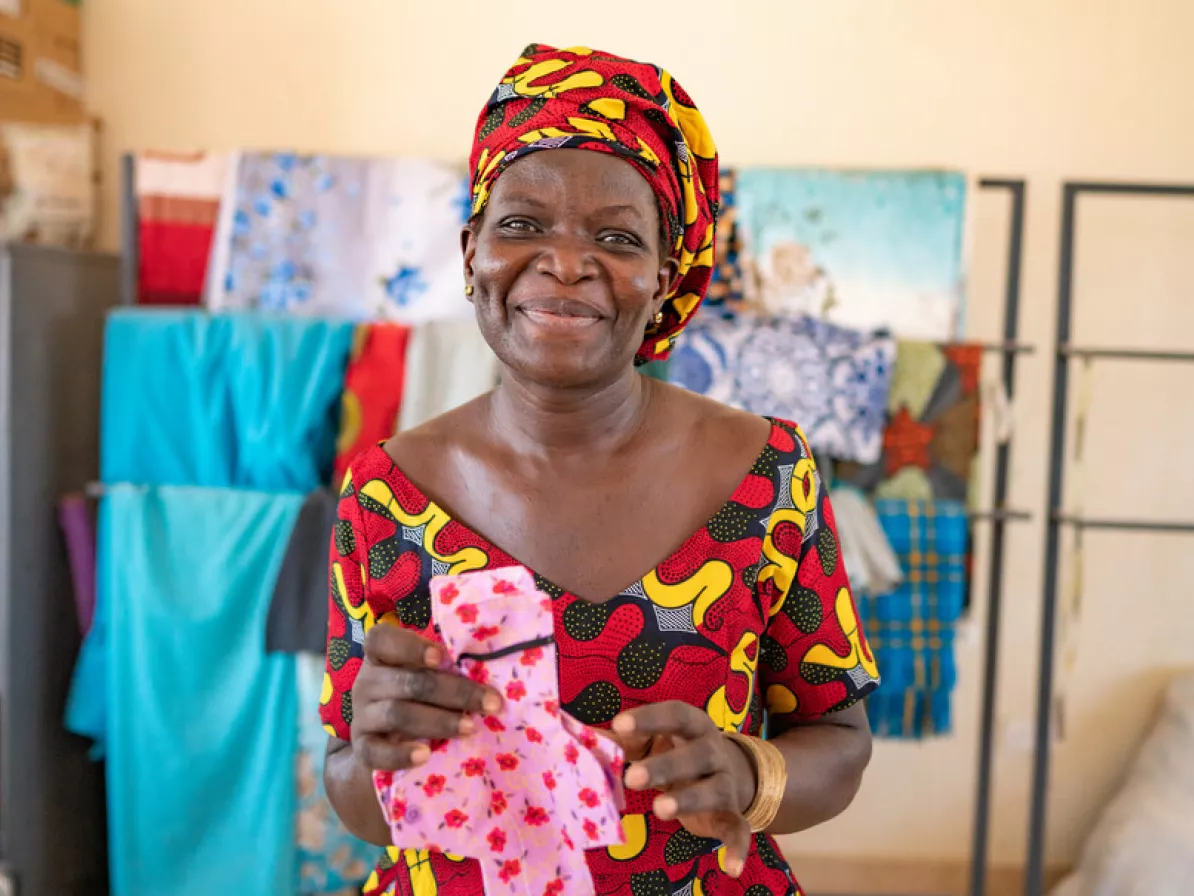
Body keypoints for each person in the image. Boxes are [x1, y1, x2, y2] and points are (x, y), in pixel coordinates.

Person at [320, 43, 881, 896]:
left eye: (616, 237)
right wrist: (375, 747)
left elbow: (838, 743)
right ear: (471, 253)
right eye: (520, 224)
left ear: (666, 276)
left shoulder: (768, 475)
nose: (567, 261)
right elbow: (358, 799)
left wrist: (750, 773)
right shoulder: (384, 493)